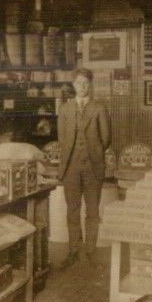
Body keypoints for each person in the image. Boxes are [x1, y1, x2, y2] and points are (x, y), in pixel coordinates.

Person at [57, 68, 111, 268]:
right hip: (70, 167)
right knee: (72, 210)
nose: (82, 86)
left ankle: (90, 252)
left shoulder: (99, 108)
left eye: (86, 83)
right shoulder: (65, 109)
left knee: (92, 212)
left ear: (90, 85)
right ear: (73, 85)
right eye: (78, 83)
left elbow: (106, 138)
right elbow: (62, 138)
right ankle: (74, 250)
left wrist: (93, 153)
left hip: (92, 167)